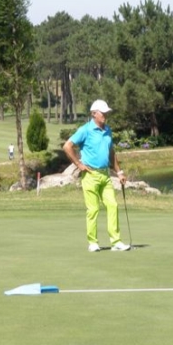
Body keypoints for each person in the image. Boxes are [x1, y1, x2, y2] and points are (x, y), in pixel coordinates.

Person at [63, 100, 129, 252]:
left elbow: (111, 152)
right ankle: (93, 242)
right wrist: (79, 164)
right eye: (103, 112)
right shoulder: (85, 130)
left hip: (105, 175)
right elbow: (67, 146)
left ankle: (116, 241)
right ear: (94, 114)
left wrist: (119, 172)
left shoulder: (108, 130)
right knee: (93, 209)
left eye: (106, 112)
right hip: (90, 174)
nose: (105, 115)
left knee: (113, 205)